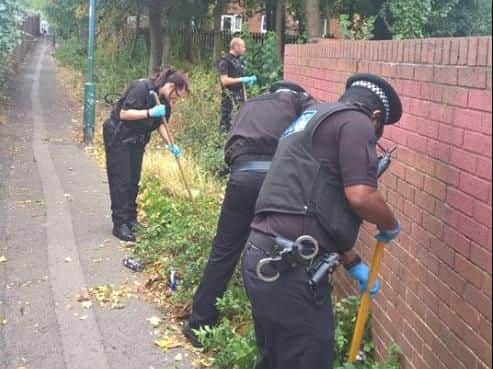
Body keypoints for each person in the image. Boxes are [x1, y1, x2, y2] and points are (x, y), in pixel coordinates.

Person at [241, 73, 403, 369]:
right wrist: (389, 224)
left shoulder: (312, 118)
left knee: (275, 360)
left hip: (262, 257)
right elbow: (361, 196)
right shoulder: (357, 122)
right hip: (290, 270)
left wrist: (352, 263)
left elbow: (313, 204)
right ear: (376, 116)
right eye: (378, 130)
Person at [182, 81, 317, 347]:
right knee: (279, 252)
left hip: (242, 176)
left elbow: (230, 144)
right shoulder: (302, 105)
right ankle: (273, 334)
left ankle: (200, 323)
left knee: (224, 249)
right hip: (277, 182)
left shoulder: (252, 104)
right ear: (296, 93)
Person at [103, 68, 189, 242]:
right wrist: (149, 112)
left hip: (137, 140)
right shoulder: (141, 88)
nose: (174, 100)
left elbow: (161, 124)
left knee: (134, 180)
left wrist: (171, 145)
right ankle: (120, 224)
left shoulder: (164, 102)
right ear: (170, 85)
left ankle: (131, 219)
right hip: (119, 136)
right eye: (175, 96)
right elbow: (124, 114)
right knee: (122, 180)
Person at [217, 37, 257, 133]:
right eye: (243, 46)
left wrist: (247, 81)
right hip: (229, 97)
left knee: (239, 121)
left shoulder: (239, 61)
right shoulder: (225, 61)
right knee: (227, 122)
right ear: (236, 47)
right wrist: (242, 79)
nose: (244, 49)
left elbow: (237, 76)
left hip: (240, 95)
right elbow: (224, 80)